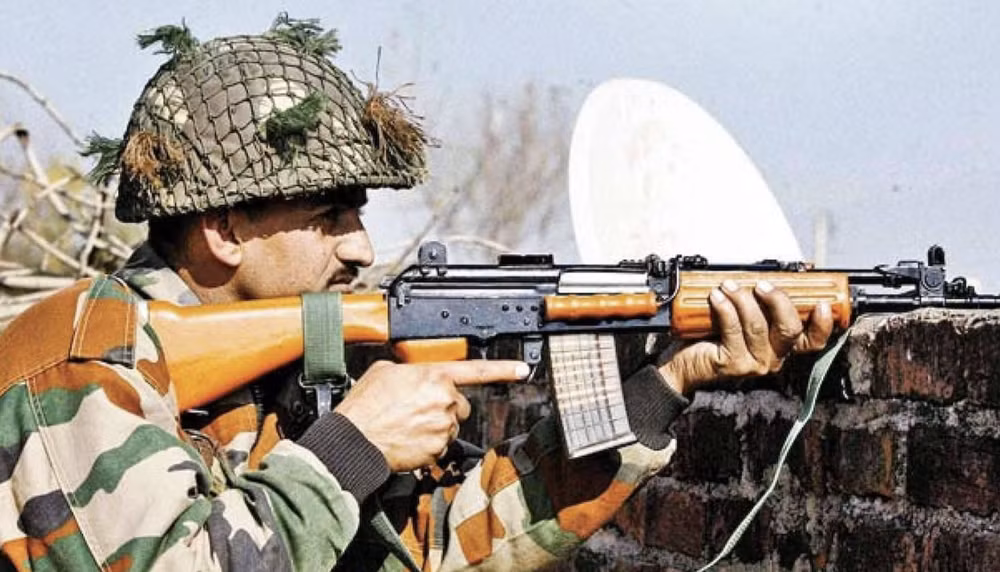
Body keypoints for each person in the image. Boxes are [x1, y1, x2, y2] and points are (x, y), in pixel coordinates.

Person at [0, 18, 833, 572]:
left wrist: (665, 384)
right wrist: (352, 444)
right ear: (224, 229)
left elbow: (439, 547)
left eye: (359, 215)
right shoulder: (82, 362)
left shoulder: (297, 371)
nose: (361, 246)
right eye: (328, 217)